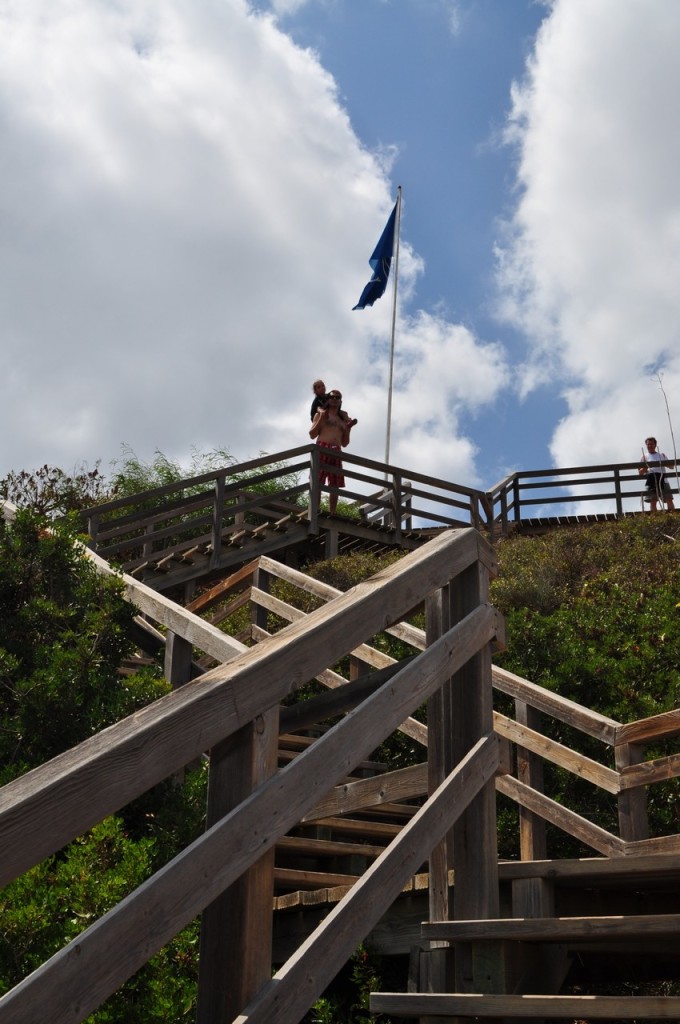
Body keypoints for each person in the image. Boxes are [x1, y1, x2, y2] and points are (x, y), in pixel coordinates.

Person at [310, 389, 355, 514]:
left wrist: (348, 428)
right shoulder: (321, 414)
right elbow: (312, 434)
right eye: (332, 397)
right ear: (328, 399)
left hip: (337, 450)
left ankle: (332, 513)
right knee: (317, 480)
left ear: (340, 401)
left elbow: (345, 443)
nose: (334, 399)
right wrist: (321, 419)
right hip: (322, 447)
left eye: (337, 397)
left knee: (334, 484)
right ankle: (315, 510)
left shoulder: (343, 419)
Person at [639, 437, 675, 511]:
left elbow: (671, 467)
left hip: (663, 479)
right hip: (651, 479)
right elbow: (640, 472)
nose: (650, 446)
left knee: (669, 499)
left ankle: (672, 515)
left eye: (651, 444)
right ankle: (654, 517)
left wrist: (664, 463)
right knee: (653, 501)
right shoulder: (644, 457)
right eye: (648, 444)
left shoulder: (662, 455)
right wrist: (647, 467)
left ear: (655, 445)